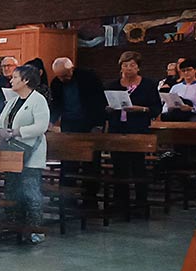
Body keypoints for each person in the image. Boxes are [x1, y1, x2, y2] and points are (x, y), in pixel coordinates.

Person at [0, 65, 50, 244]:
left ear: (26, 80)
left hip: (30, 152)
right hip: (12, 153)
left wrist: (16, 132)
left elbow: (41, 127)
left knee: (30, 190)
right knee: (12, 189)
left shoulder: (38, 100)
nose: (11, 80)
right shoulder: (11, 101)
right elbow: (0, 123)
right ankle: (14, 226)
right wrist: (0, 131)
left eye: (15, 77)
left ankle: (35, 229)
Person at [105, 51, 161, 213]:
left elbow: (156, 108)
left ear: (138, 68)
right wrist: (108, 109)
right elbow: (103, 106)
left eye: (132, 65)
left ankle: (141, 202)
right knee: (119, 166)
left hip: (138, 129)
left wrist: (142, 109)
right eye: (125, 65)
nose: (128, 69)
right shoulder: (112, 85)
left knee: (138, 166)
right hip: (117, 129)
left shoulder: (148, 85)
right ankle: (120, 202)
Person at [49, 57, 106, 132]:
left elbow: (98, 100)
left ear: (72, 69)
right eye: (60, 77)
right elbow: (56, 104)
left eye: (65, 75)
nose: (62, 79)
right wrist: (51, 120)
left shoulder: (89, 77)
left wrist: (99, 123)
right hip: (68, 122)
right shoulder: (56, 83)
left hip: (88, 120)